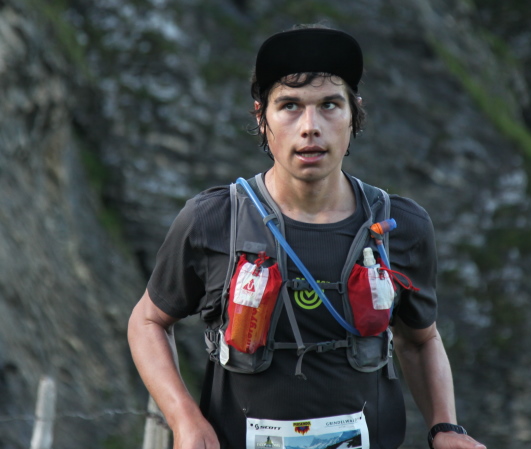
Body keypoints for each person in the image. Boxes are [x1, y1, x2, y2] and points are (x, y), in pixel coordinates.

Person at [127, 24, 487, 449]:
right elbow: (147, 321)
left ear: (354, 115)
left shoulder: (401, 226)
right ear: (261, 118)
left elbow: (421, 340)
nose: (310, 127)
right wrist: (185, 419)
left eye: (330, 105)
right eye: (290, 106)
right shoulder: (214, 219)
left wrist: (445, 428)